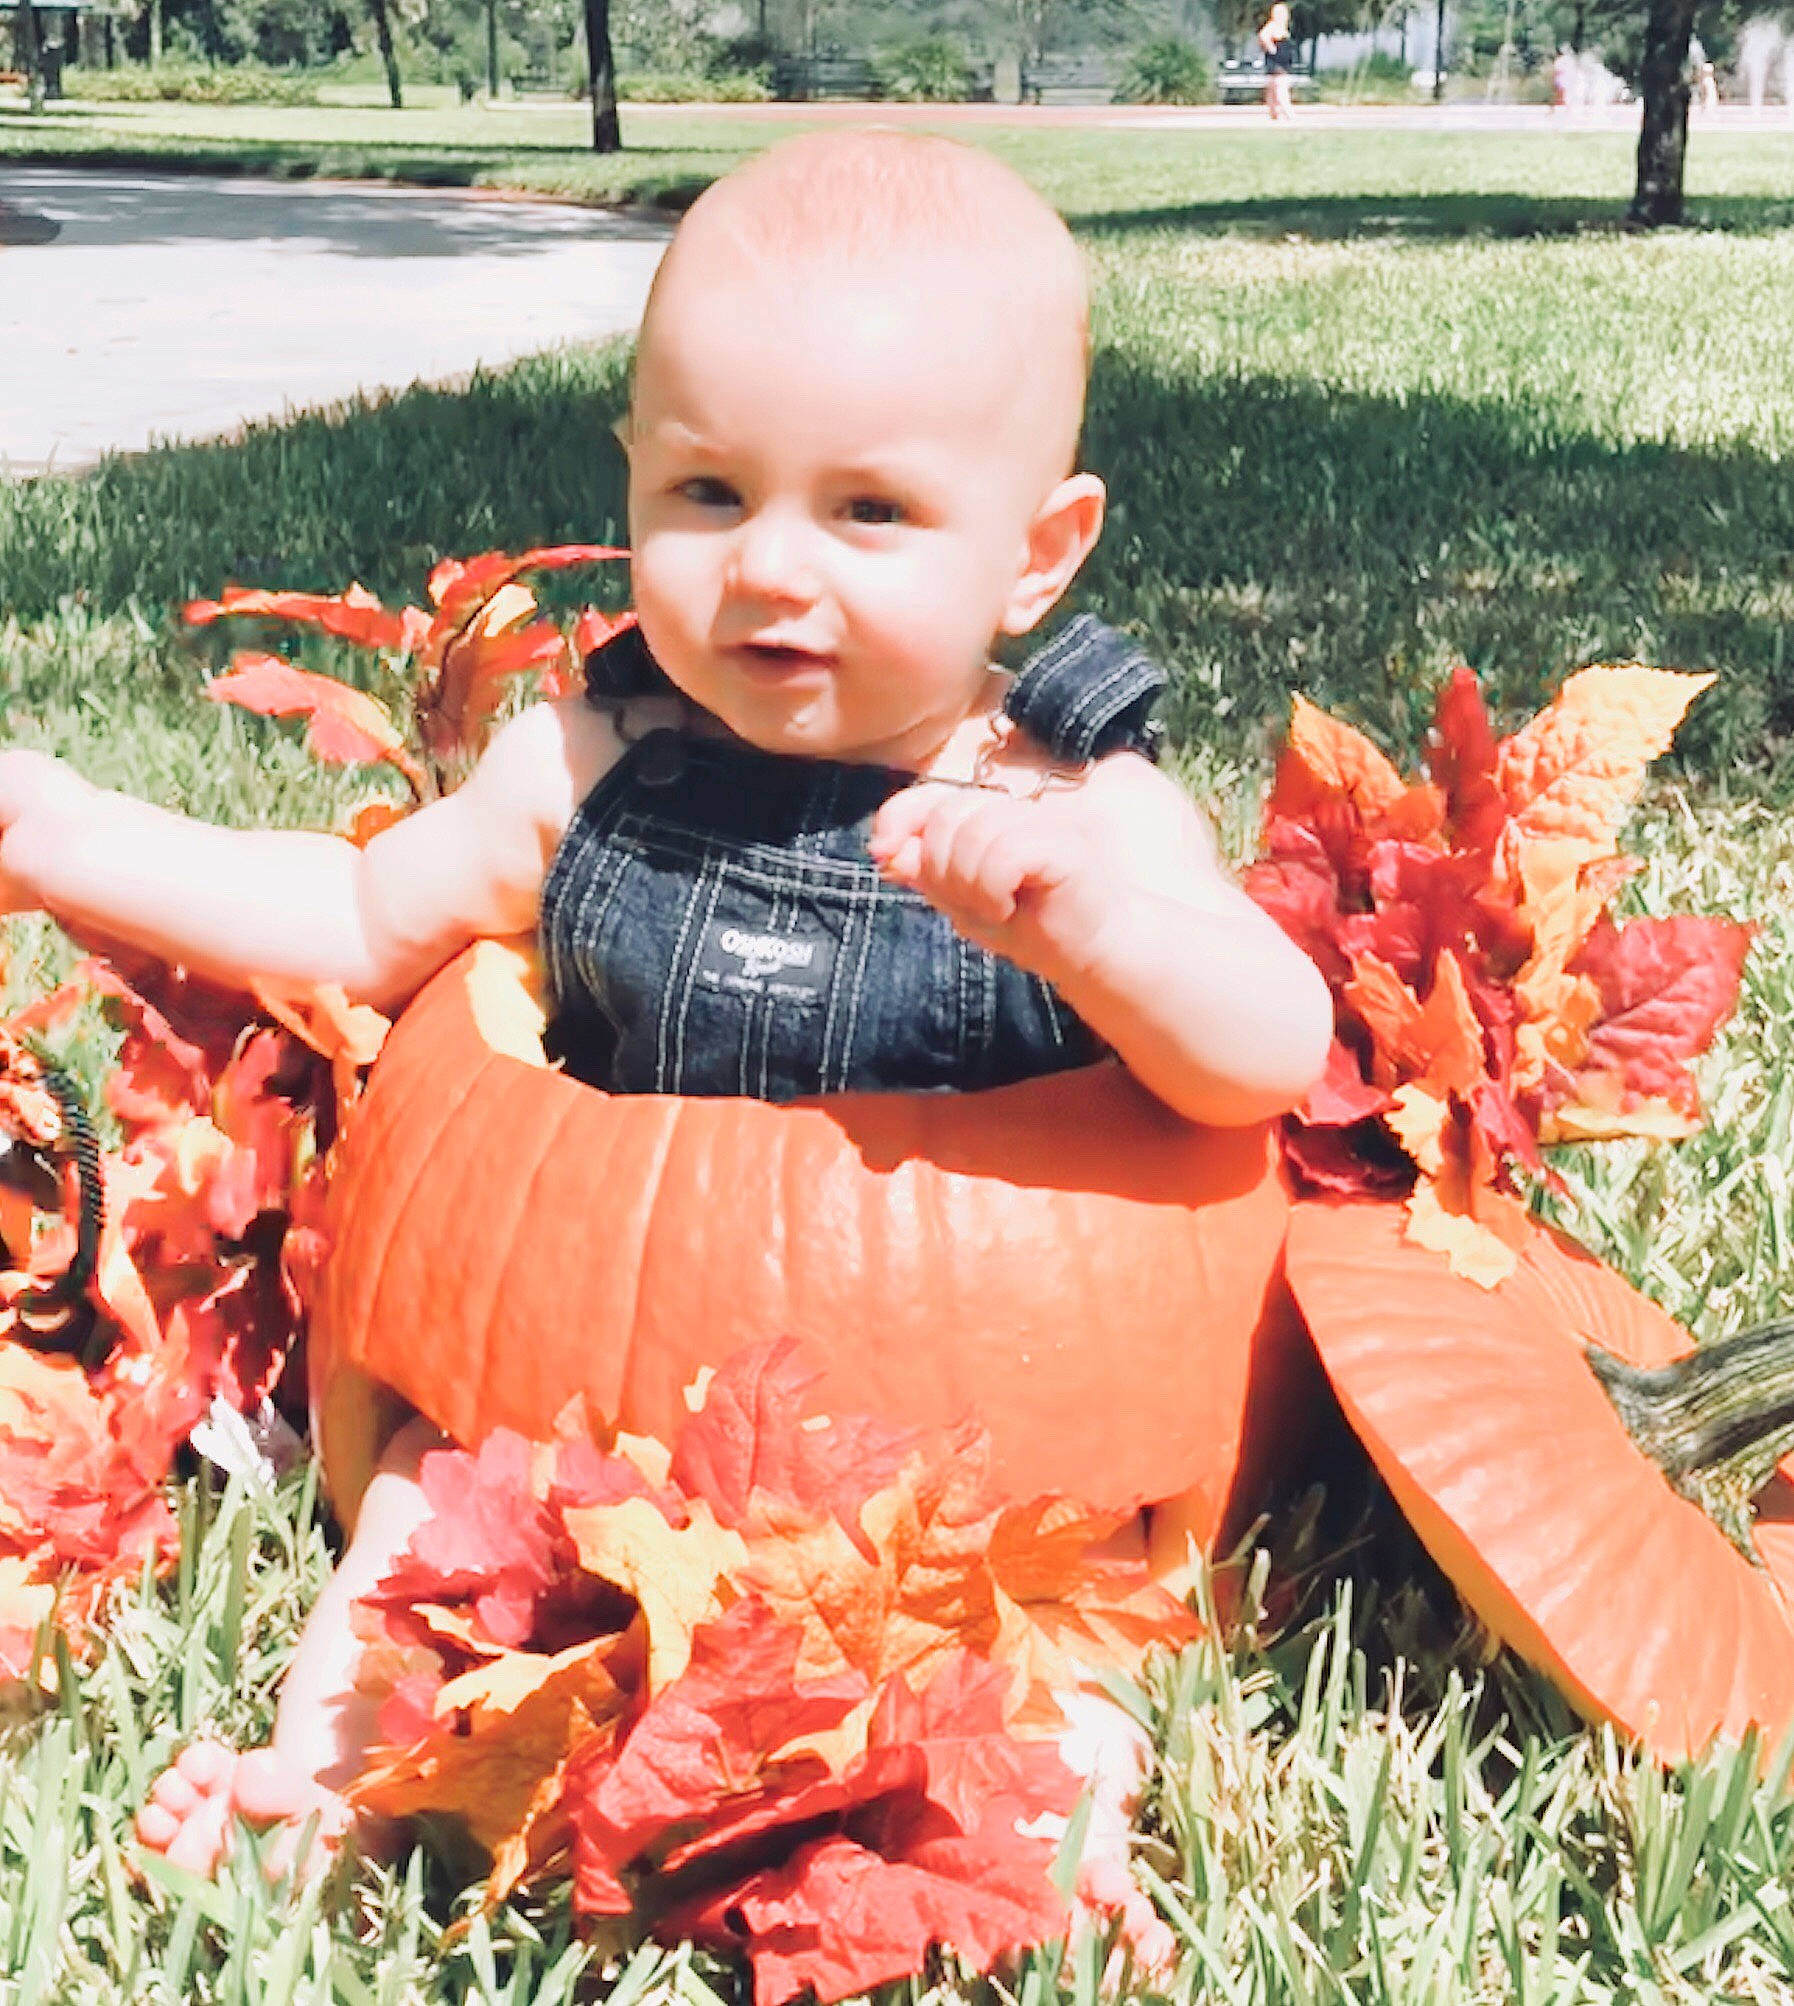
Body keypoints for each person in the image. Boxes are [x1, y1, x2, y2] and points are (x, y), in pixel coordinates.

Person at [0, 131, 1331, 1888]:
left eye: (867, 509)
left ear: (1036, 552)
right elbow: (355, 912)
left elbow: (1261, 1057)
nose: (770, 568)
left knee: (1030, 1614)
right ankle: (324, 1775)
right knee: (416, 1485)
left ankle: (1044, 1832)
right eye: (706, 494)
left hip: (960, 1445)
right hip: (594, 1399)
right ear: (631, 480)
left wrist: (1091, 932)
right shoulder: (586, 759)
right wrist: (67, 836)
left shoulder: (1077, 803)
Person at [1258, 2, 1297, 120]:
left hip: (1282, 63)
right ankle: (1289, 114)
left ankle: (1274, 114)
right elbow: (1263, 36)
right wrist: (1271, 48)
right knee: (1280, 89)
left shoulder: (1282, 27)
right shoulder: (1273, 26)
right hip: (1277, 63)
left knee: (1273, 91)